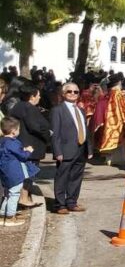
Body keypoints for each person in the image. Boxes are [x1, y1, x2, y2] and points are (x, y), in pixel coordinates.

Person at [8, 85, 51, 209]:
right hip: (31, 146)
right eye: (38, 95)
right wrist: (48, 134)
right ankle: (24, 198)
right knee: (28, 173)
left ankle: (23, 198)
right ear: (32, 96)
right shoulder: (29, 108)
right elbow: (34, 127)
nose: (39, 97)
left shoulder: (18, 106)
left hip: (21, 144)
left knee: (23, 173)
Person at [50, 82, 90, 215]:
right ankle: (60, 204)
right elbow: (55, 133)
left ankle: (72, 202)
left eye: (76, 92)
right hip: (65, 149)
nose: (73, 94)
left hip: (81, 149)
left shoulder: (81, 110)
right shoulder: (57, 110)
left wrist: (89, 149)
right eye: (69, 91)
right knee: (62, 178)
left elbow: (85, 130)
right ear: (63, 93)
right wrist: (57, 151)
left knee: (76, 177)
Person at [0, 118, 38, 226]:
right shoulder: (13, 142)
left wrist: (22, 150)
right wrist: (28, 151)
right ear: (13, 131)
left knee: (7, 194)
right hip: (14, 173)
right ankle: (10, 217)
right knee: (14, 194)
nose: (19, 131)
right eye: (18, 129)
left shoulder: (2, 141)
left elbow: (10, 153)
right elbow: (22, 156)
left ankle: (2, 215)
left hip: (4, 172)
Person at [99, 73, 125, 167]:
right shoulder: (118, 93)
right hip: (117, 118)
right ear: (119, 83)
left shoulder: (110, 93)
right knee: (119, 138)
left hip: (109, 118)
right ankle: (117, 159)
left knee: (111, 137)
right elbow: (122, 107)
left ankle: (110, 159)